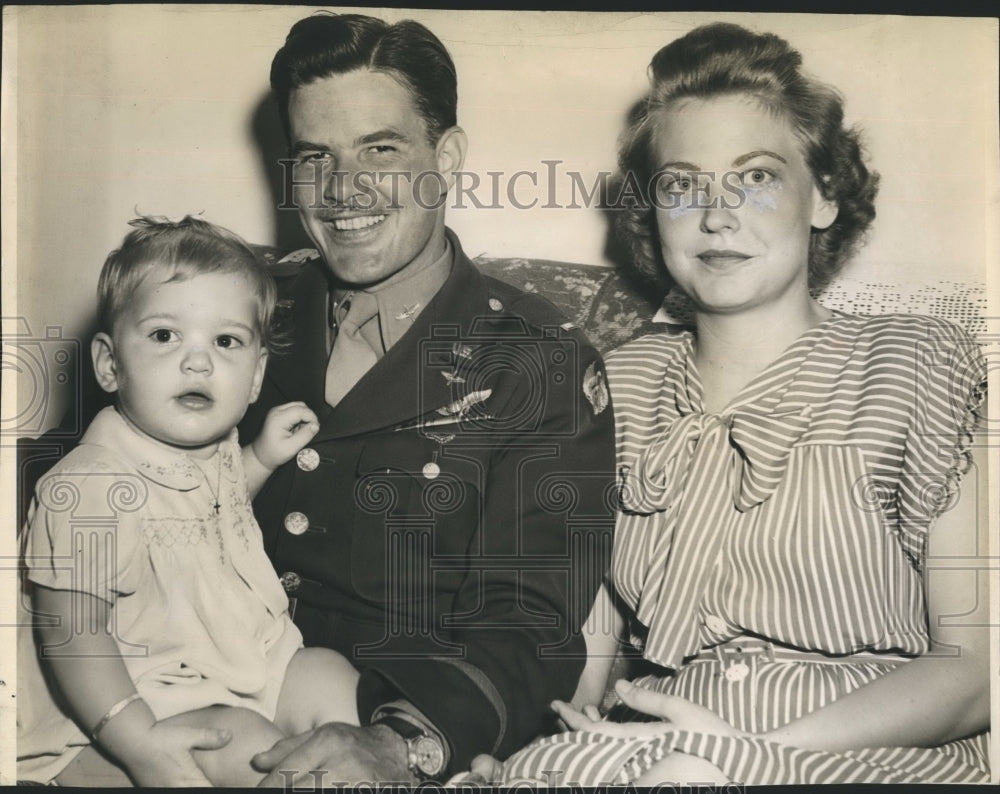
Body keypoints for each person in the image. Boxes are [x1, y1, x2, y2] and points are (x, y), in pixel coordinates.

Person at [497, 23, 990, 785]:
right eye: (681, 185)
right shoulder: (615, 386)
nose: (716, 215)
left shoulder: (917, 365)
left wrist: (742, 756)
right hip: (651, 741)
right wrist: (559, 738)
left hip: (866, 752)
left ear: (824, 196)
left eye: (756, 176)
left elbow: (974, 673)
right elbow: (589, 655)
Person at [236, 12, 616, 785]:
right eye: (315, 157)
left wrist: (401, 741)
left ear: (446, 158)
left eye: (380, 148)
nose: (344, 190)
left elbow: (529, 617)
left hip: (389, 727)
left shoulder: (537, 360)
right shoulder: (235, 312)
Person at [17, 216, 361, 786]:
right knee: (249, 744)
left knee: (330, 677)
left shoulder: (211, 447)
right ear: (109, 364)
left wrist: (258, 458)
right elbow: (71, 632)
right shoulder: (89, 486)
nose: (197, 361)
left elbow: (203, 518)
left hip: (224, 661)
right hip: (121, 703)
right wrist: (137, 739)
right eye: (163, 336)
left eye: (226, 342)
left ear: (254, 379)